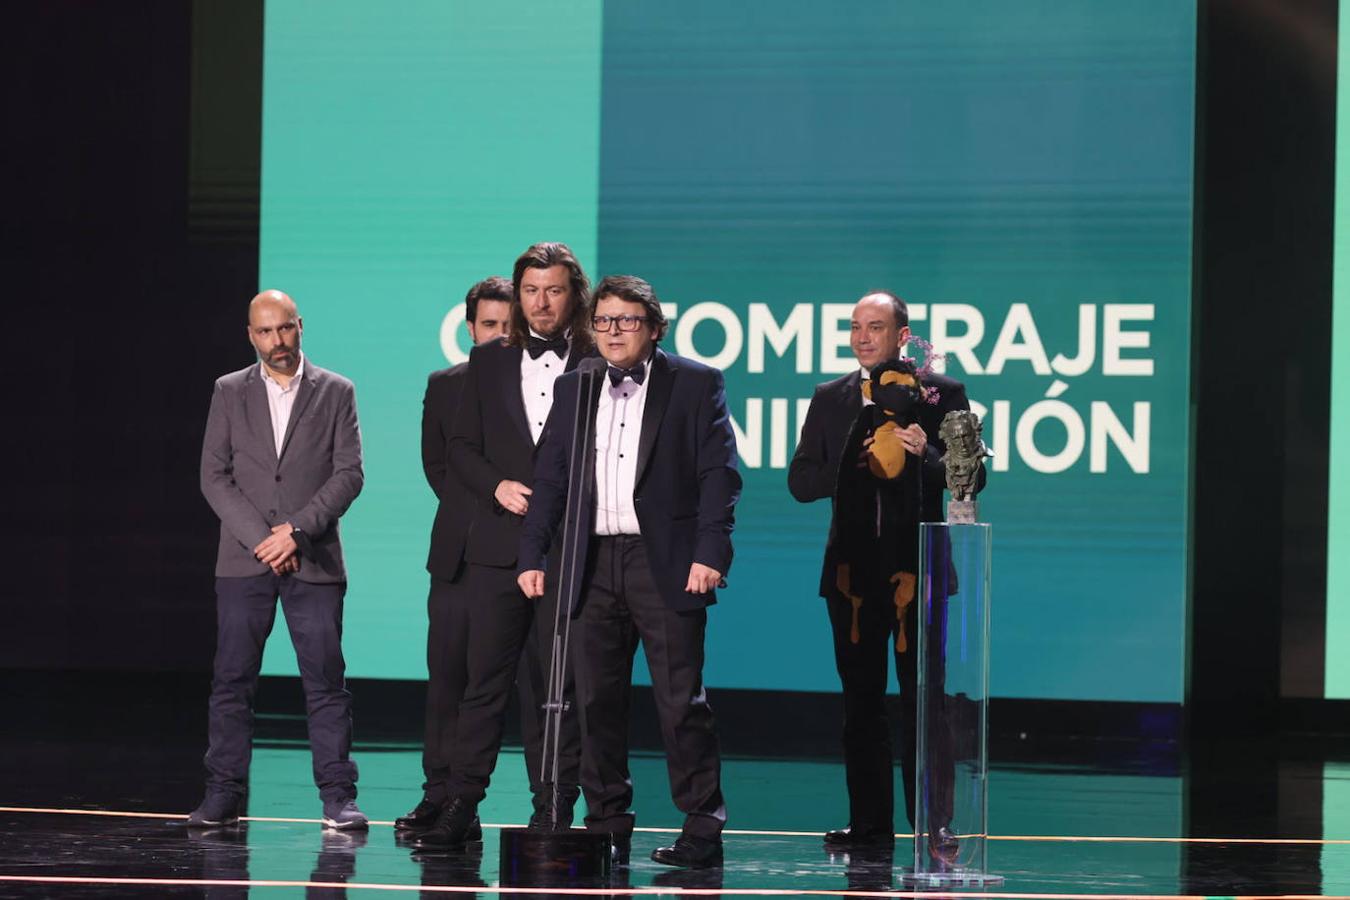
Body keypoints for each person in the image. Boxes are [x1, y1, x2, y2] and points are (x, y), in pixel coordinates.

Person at [518, 275, 741, 869]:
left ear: (654, 327)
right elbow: (551, 479)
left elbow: (719, 475)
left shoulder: (694, 383)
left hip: (662, 561)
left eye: (628, 321)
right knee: (594, 702)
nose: (614, 332)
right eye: (605, 321)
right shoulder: (576, 387)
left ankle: (701, 824)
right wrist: (532, 555)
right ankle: (608, 822)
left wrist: (711, 552)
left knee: (679, 700)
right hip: (587, 561)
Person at [414, 243, 593, 849]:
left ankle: (552, 810)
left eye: (555, 290)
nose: (542, 303)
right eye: (531, 290)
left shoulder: (599, 358)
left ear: (575, 294)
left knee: (555, 691)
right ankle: (462, 805)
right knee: (483, 685)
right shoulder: (487, 360)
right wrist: (498, 484)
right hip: (495, 549)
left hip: (569, 550)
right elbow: (459, 447)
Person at [788, 290, 980, 852]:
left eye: (875, 327)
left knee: (926, 703)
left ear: (902, 336)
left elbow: (972, 480)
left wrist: (930, 458)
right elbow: (801, 481)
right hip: (851, 579)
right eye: (854, 327)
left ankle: (933, 822)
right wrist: (852, 459)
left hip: (917, 574)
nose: (862, 337)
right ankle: (869, 824)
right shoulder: (832, 398)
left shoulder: (941, 395)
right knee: (861, 704)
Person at [190, 289, 366, 830]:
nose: (277, 341)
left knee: (325, 681)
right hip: (244, 563)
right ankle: (222, 796)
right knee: (232, 680)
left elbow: (348, 474)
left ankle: (338, 797)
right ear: (251, 335)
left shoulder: (337, 390)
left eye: (284, 329)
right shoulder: (228, 391)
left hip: (312, 560)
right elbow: (213, 476)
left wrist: (295, 532)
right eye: (265, 332)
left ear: (300, 326)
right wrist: (263, 539)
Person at [394, 276, 511, 837]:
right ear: (470, 329)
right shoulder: (445, 385)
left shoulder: (547, 384)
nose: (499, 336)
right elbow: (438, 468)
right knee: (446, 684)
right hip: (457, 558)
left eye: (509, 326)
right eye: (489, 325)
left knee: (509, 689)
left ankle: (492, 799)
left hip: (520, 561)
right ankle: (437, 794)